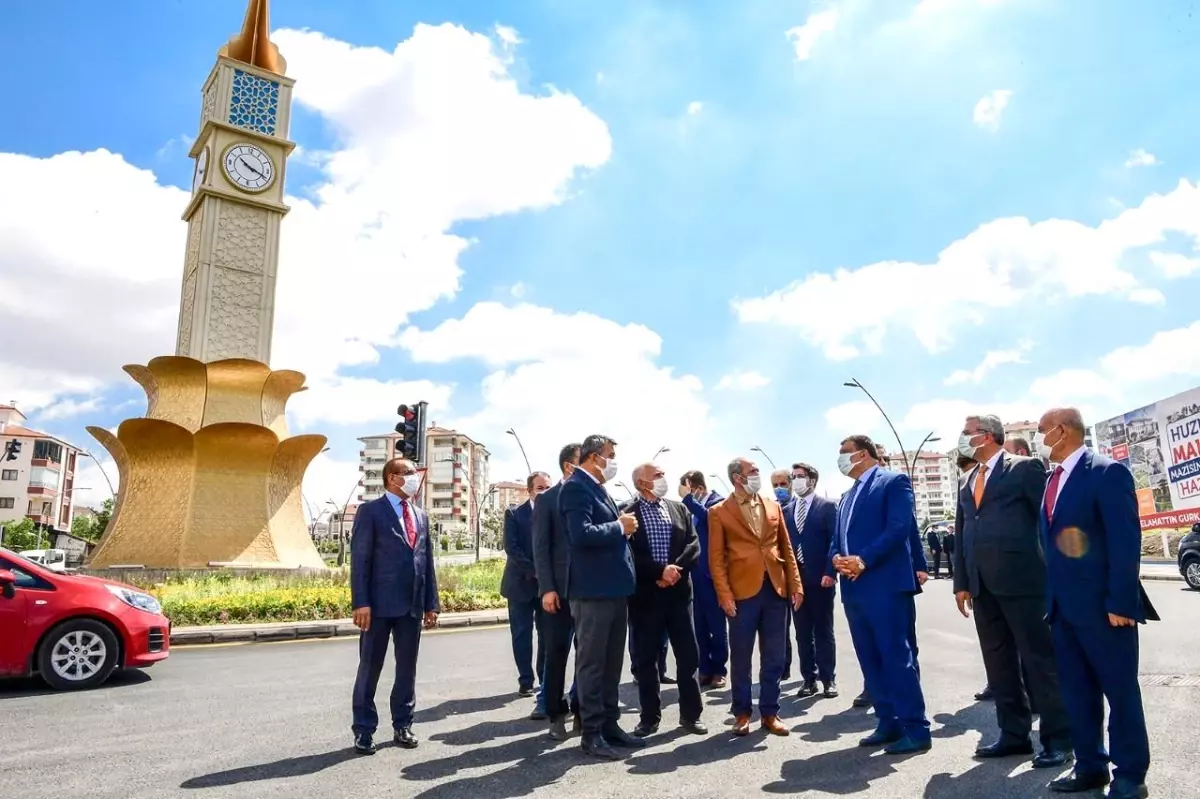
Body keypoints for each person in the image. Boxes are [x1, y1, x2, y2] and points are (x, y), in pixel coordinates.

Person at [1035, 408, 1158, 798]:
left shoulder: (1107, 472)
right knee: (1077, 693)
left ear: (1063, 430)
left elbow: (1125, 541)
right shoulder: (1051, 480)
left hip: (1107, 610)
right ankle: (1090, 766)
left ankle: (1129, 775)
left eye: (1042, 430)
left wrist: (1121, 601)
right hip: (1063, 610)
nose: (1039, 437)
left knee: (1120, 693)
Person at [952, 414, 1072, 770]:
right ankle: (1013, 735)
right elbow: (962, 534)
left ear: (987, 436)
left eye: (967, 432)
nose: (962, 437)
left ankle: (1059, 739)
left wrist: (1056, 572)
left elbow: (1049, 520)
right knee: (999, 664)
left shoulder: (1026, 468)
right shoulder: (966, 478)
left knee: (1040, 662)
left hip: (1024, 581)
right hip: (981, 586)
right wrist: (961, 583)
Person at [829, 435, 930, 755]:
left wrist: (863, 559)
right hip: (854, 588)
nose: (840, 460)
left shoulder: (892, 482)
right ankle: (888, 722)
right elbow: (838, 537)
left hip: (885, 585)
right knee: (870, 658)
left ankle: (916, 728)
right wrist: (836, 558)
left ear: (861, 454)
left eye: (843, 454)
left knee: (896, 657)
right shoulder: (847, 495)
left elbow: (899, 528)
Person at [559, 434, 643, 760]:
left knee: (611, 664)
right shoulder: (575, 487)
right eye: (609, 455)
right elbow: (580, 535)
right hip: (591, 592)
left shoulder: (597, 487)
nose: (613, 461)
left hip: (613, 590)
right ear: (594, 457)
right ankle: (591, 733)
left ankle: (610, 726)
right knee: (592, 665)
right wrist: (619, 527)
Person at [349, 458, 439, 755]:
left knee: (407, 670)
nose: (415, 478)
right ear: (392, 478)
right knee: (370, 667)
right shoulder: (370, 511)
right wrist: (361, 602)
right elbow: (360, 561)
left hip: (411, 605)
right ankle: (363, 729)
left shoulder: (421, 515)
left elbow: (426, 562)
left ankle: (403, 723)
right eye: (409, 473)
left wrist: (431, 603)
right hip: (376, 606)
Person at [709, 457, 803, 736]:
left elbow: (786, 548)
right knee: (741, 657)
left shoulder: (772, 506)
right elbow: (716, 559)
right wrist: (724, 595)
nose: (757, 475)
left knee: (775, 655)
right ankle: (742, 713)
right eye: (752, 472)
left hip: (775, 589)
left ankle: (770, 713)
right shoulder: (719, 512)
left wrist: (796, 585)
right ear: (737, 477)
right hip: (741, 594)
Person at [623, 462, 707, 737]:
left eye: (662, 474)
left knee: (688, 657)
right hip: (645, 598)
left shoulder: (678, 508)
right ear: (641, 483)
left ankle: (691, 716)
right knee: (647, 661)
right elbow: (629, 555)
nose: (662, 479)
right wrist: (659, 572)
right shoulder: (626, 512)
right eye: (656, 476)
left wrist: (674, 571)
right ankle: (649, 718)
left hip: (679, 595)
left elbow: (693, 545)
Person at [775, 464, 838, 698]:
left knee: (823, 631)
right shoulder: (786, 510)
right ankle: (808, 679)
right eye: (794, 477)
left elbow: (835, 542)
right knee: (802, 633)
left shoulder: (828, 507)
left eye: (801, 477)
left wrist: (830, 572)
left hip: (821, 579)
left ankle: (828, 679)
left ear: (812, 480)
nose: (796, 481)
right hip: (796, 582)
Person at [532, 444, 582, 740]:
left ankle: (581, 710)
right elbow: (541, 548)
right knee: (556, 655)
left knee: (587, 655)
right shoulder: (548, 500)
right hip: (558, 595)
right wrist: (547, 588)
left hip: (588, 591)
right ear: (568, 467)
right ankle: (555, 713)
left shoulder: (591, 495)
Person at [501, 471, 552, 702]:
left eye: (548, 487)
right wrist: (536, 571)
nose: (544, 492)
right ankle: (525, 680)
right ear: (530, 491)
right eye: (540, 488)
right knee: (521, 635)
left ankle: (544, 679)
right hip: (520, 584)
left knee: (547, 635)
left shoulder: (554, 514)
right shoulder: (514, 514)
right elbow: (512, 548)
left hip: (546, 588)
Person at [679, 470, 727, 688]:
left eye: (687, 490)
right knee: (698, 625)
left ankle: (719, 669)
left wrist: (688, 499)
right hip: (694, 575)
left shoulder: (719, 503)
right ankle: (704, 668)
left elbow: (712, 520)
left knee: (716, 625)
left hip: (712, 575)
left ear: (697, 488)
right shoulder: (689, 509)